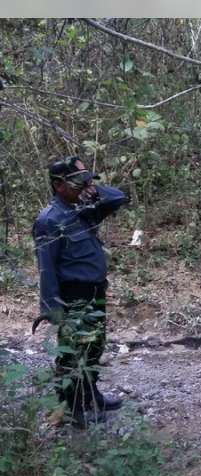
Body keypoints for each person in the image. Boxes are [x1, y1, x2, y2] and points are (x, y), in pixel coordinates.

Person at [32, 156, 128, 428]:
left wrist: (93, 189)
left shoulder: (84, 208)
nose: (82, 186)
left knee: (94, 348)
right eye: (76, 182)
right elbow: (46, 267)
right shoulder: (49, 221)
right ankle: (71, 409)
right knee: (73, 355)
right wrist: (52, 308)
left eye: (85, 180)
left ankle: (91, 396)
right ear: (58, 185)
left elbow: (118, 198)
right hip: (73, 295)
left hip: (95, 291)